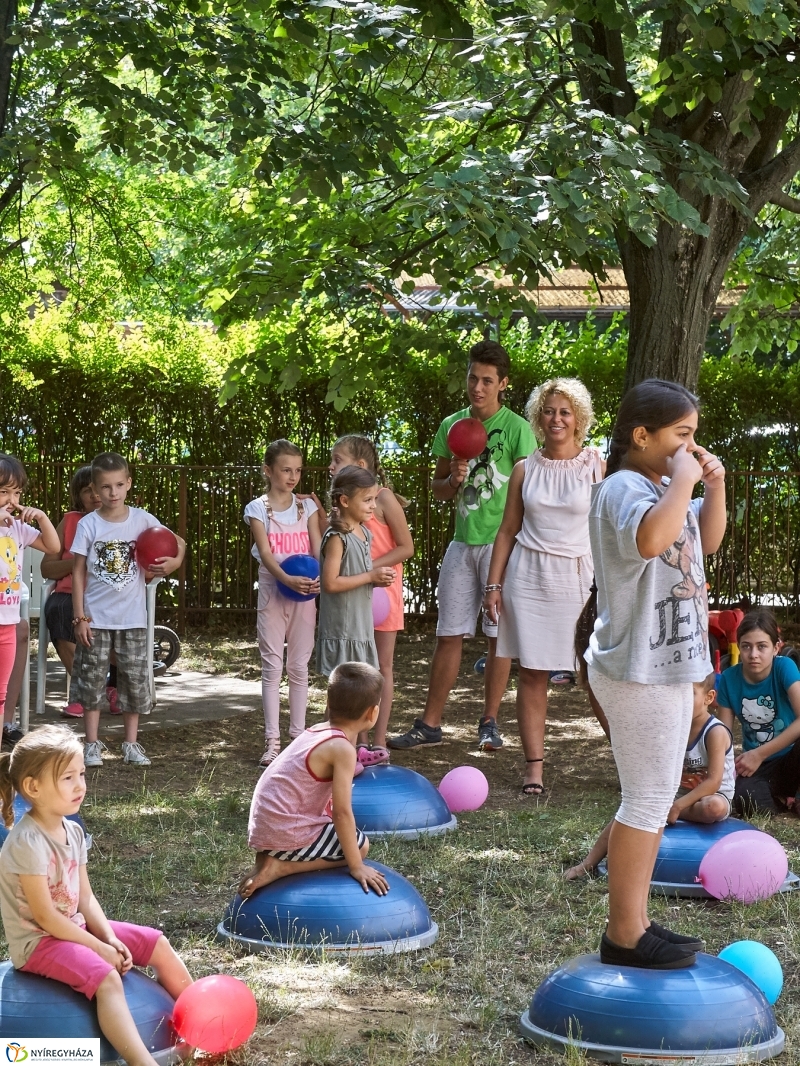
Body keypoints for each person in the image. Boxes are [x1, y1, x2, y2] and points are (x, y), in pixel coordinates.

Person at [576, 379, 726, 969]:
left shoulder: (666, 487)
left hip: (666, 666)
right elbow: (648, 541)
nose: (692, 446)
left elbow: (702, 539)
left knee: (653, 794)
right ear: (642, 436)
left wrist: (711, 485)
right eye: (681, 436)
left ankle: (634, 923)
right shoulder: (620, 488)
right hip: (635, 669)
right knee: (646, 798)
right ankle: (624, 934)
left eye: (694, 436)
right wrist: (686, 481)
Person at [0, 725, 192, 1066]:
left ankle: (198, 1026)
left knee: (156, 943)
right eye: (67, 778)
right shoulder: (26, 843)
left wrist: (107, 937)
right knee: (106, 977)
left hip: (73, 928)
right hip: (37, 943)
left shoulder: (72, 830)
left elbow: (85, 899)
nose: (80, 785)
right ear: (33, 787)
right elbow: (45, 918)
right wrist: (100, 949)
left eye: (82, 774)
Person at [390, 341, 535, 754]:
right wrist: (452, 480)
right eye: (473, 377)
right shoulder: (452, 425)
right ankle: (429, 725)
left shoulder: (518, 429)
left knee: (496, 638)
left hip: (501, 545)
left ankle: (489, 722)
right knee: (448, 634)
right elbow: (436, 491)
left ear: (502, 384)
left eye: (488, 380)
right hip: (462, 543)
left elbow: (528, 493)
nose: (478, 387)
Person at [483, 378, 605, 795]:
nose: (556, 418)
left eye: (565, 412)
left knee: (597, 673)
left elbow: (610, 528)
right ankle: (534, 767)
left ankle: (629, 761)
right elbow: (507, 530)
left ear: (578, 420)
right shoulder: (524, 468)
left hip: (580, 578)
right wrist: (493, 586)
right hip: (529, 577)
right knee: (532, 674)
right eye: (549, 411)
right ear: (539, 417)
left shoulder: (596, 463)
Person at [71, 453, 185, 768]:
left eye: (119, 485)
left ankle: (131, 744)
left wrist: (174, 562)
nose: (113, 492)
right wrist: (80, 617)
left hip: (133, 619)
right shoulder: (88, 525)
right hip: (95, 618)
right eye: (105, 487)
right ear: (94, 489)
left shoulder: (143, 520)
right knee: (92, 681)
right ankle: (91, 745)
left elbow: (179, 543)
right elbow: (78, 572)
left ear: (128, 483)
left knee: (134, 682)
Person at [239, 662, 390, 897]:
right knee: (361, 846)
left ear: (329, 704)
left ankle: (272, 857)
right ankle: (283, 867)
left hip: (267, 831)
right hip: (286, 834)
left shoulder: (317, 732)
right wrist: (356, 866)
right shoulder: (342, 749)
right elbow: (341, 812)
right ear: (373, 713)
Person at [565, 672, 733, 879]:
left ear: (709, 697)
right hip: (675, 794)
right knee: (634, 806)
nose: (681, 702)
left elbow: (713, 782)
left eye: (689, 695)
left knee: (712, 808)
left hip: (710, 796)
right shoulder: (671, 726)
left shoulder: (715, 732)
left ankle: (670, 813)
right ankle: (587, 864)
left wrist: (677, 807)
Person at [327, 435, 414, 765]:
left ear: (361, 466)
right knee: (356, 665)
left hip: (384, 591)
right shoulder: (343, 506)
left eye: (337, 459)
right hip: (355, 592)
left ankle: (379, 742)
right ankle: (356, 741)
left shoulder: (383, 498)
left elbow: (406, 547)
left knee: (382, 666)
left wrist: (370, 568)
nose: (331, 465)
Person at [244, 440, 323, 768]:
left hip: (305, 595)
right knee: (273, 666)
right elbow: (265, 552)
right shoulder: (258, 508)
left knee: (299, 667)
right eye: (286, 469)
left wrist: (319, 580)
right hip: (273, 594)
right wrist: (285, 579)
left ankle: (298, 740)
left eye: (298, 470)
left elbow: (318, 548)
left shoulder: (309, 508)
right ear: (268, 470)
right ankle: (272, 742)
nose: (293, 476)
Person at [40, 466, 121, 719]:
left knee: (119, 620)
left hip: (110, 593)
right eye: (88, 490)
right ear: (79, 495)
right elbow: (47, 568)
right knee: (57, 610)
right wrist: (80, 561)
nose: (96, 495)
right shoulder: (71, 521)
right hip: (68, 595)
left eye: (99, 488)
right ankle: (87, 692)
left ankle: (115, 687)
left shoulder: (125, 519)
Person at [715, 609, 800, 815]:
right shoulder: (728, 679)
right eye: (746, 646)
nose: (753, 654)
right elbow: (723, 736)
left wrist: (760, 753)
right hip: (760, 767)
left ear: (776, 648)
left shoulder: (784, 667)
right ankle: (782, 801)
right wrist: (721, 773)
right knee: (745, 798)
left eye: (762, 646)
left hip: (791, 757)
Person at [0, 455, 59, 744]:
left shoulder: (18, 529)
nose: (12, 500)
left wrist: (43, 518)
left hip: (7, 623)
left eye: (17, 492)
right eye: (3, 492)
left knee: (0, 694)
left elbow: (53, 546)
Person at [316, 466, 394, 679]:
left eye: (374, 499)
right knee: (342, 695)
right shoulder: (336, 537)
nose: (374, 506)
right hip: (343, 630)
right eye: (367, 500)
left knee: (357, 694)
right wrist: (370, 576)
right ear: (345, 501)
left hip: (361, 628)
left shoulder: (365, 533)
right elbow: (330, 583)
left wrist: (376, 579)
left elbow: (356, 574)